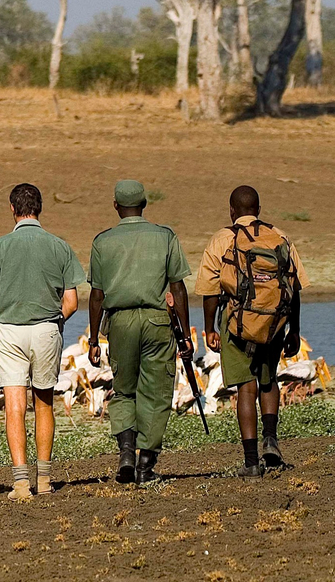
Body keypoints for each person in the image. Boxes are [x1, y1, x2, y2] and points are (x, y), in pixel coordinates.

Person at [0, 183, 84, 501]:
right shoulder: (59, 246)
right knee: (44, 403)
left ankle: (21, 483)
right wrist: (54, 322)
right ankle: (44, 480)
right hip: (47, 329)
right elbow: (72, 302)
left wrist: (6, 321)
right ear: (40, 208)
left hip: (9, 330)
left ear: (12, 209)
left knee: (15, 406)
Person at [195, 185, 308, 475]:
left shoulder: (222, 239)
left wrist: (209, 328)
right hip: (273, 323)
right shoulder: (279, 236)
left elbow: (209, 290)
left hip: (237, 323)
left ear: (231, 211)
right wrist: (294, 329)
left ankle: (250, 462)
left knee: (247, 387)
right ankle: (271, 440)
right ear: (258, 210)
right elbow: (293, 288)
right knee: (268, 382)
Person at [87, 179, 193, 484]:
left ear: (116, 206)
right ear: (144, 204)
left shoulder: (102, 241)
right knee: (156, 393)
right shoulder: (165, 236)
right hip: (158, 321)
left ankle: (126, 453)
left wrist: (93, 339)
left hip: (120, 323)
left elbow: (97, 295)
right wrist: (186, 335)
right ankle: (145, 465)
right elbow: (178, 287)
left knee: (123, 390)